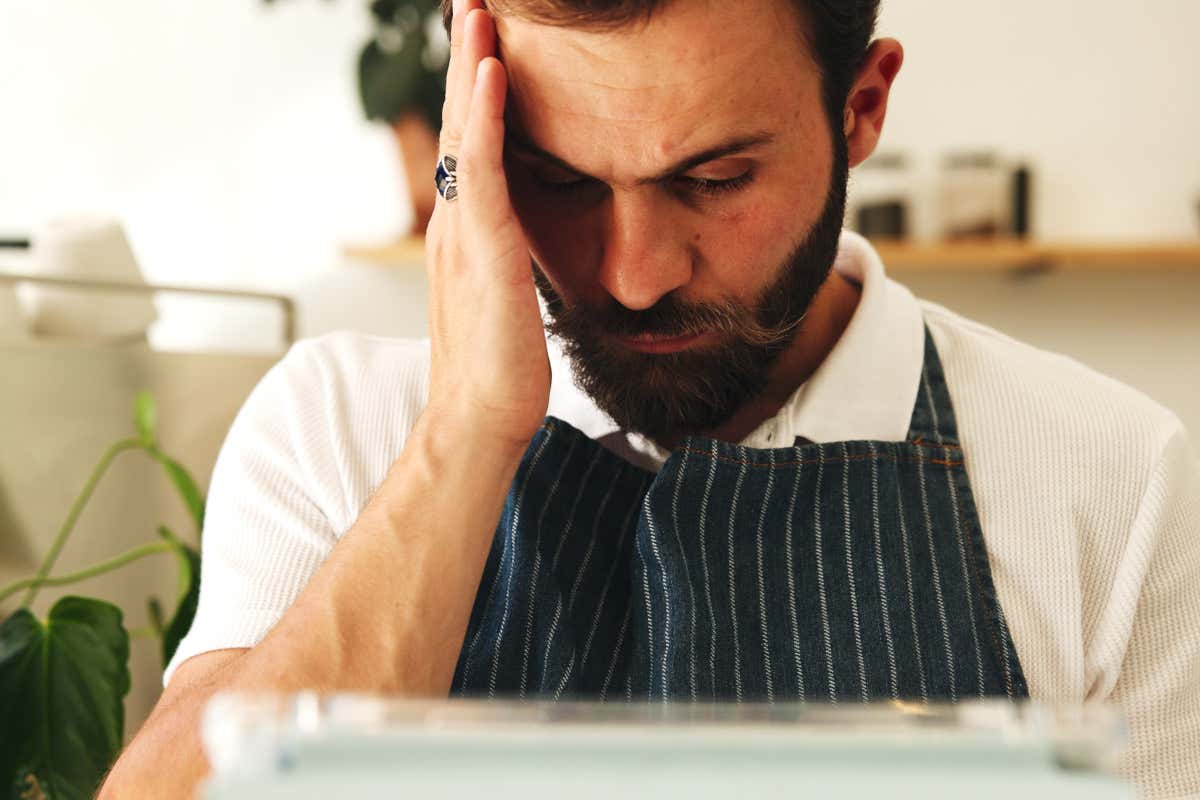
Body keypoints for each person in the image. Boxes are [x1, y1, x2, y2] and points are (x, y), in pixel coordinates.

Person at [102, 0, 1200, 796]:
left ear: (861, 108)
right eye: (563, 180)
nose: (635, 274)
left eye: (716, 179)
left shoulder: (1111, 474)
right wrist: (467, 430)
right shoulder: (339, 425)